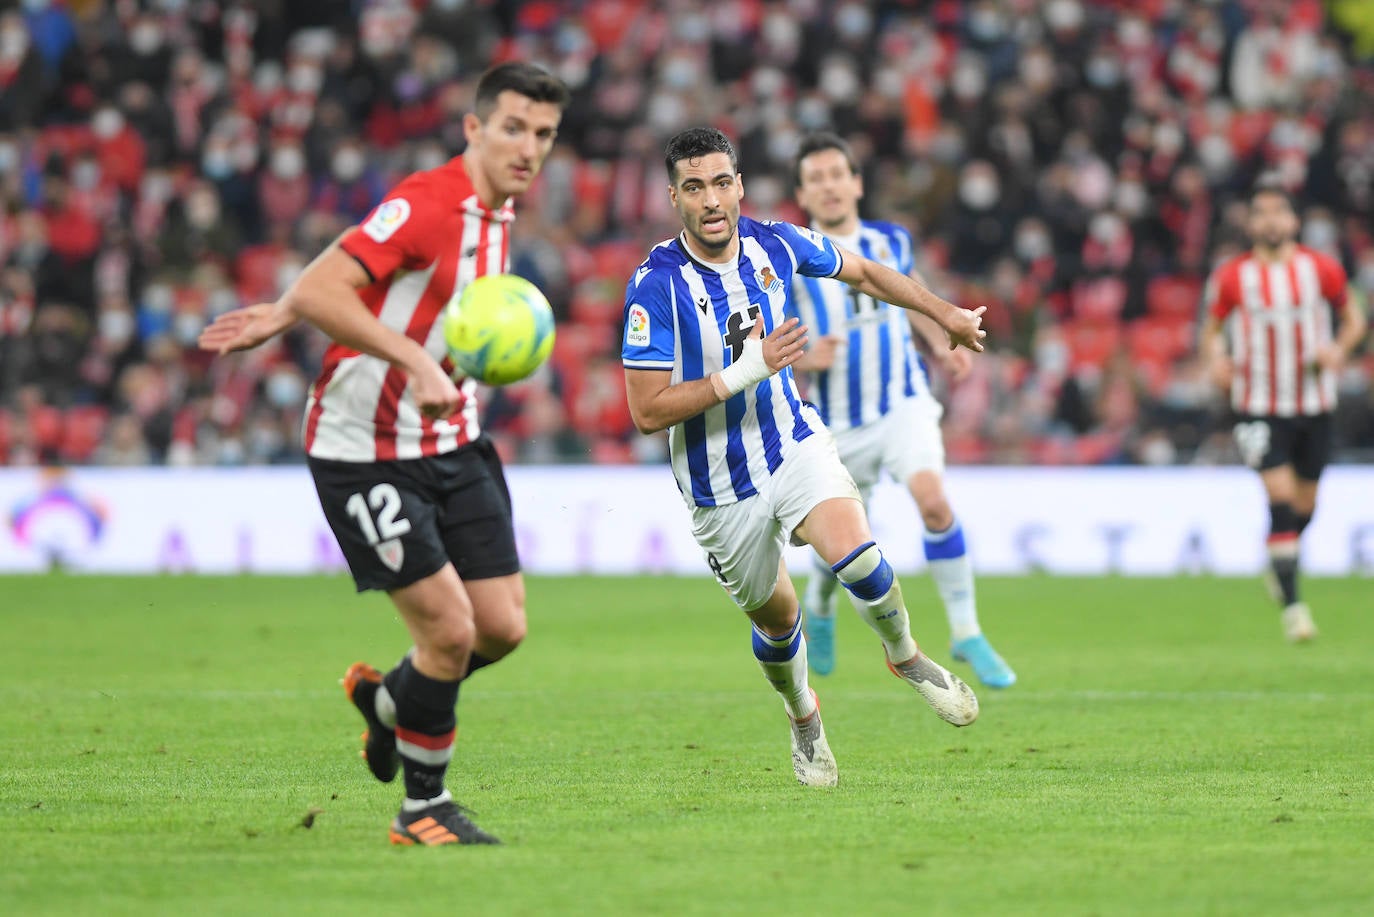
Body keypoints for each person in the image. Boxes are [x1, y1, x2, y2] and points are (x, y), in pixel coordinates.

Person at [197, 62, 570, 845]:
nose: (528, 146)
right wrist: (410, 357)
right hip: (363, 448)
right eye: (513, 127)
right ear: (473, 128)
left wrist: (290, 301)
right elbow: (342, 280)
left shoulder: (498, 211)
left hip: (452, 437)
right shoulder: (438, 201)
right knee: (448, 632)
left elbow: (359, 241)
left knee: (501, 627)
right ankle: (421, 809)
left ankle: (390, 701)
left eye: (542, 133)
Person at [622, 127, 986, 787]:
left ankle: (905, 655)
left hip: (793, 444)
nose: (712, 200)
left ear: (740, 185)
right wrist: (745, 371)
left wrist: (947, 313)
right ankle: (802, 715)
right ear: (674, 197)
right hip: (718, 485)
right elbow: (646, 411)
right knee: (779, 616)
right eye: (695, 186)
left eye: (722, 182)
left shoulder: (776, 242)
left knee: (859, 556)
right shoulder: (655, 285)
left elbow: (868, 271)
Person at [786, 132, 1015, 687]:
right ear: (803, 193)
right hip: (837, 419)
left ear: (857, 183)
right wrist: (804, 356)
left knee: (933, 502)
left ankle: (965, 631)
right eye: (816, 178)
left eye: (837, 174)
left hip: (903, 403)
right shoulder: (789, 258)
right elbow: (770, 336)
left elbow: (907, 299)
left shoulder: (890, 242)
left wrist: (940, 346)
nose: (829, 186)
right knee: (838, 540)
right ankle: (819, 607)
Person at [1199, 185, 1366, 642]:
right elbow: (1212, 330)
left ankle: (1280, 561)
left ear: (1293, 221)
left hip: (1314, 403)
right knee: (1280, 498)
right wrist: (1216, 359)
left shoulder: (1321, 269)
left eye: (1279, 213)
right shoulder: (1233, 276)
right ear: (1251, 224)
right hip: (1257, 404)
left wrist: (1338, 349)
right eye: (1261, 214)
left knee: (1304, 505)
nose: (1271, 221)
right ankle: (1294, 610)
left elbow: (1354, 318)